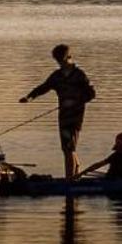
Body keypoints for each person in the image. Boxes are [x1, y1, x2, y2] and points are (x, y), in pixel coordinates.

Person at [20, 43, 96, 179]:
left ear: (69, 57)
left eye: (62, 60)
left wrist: (74, 101)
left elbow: (91, 94)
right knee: (67, 148)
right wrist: (29, 97)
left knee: (68, 148)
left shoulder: (79, 75)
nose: (60, 63)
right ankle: (76, 170)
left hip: (76, 116)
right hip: (63, 116)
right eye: (58, 61)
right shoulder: (57, 76)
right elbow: (44, 87)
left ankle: (69, 180)